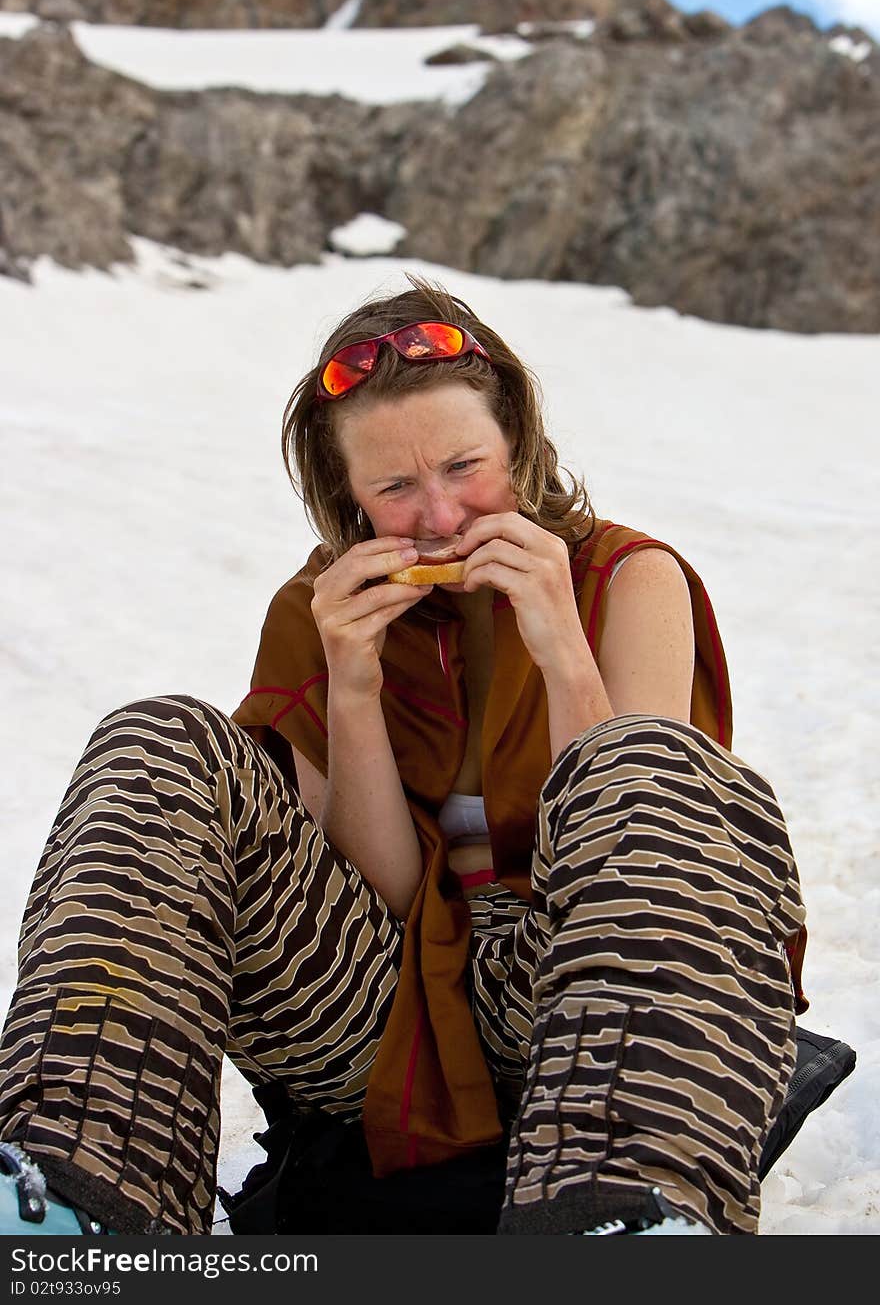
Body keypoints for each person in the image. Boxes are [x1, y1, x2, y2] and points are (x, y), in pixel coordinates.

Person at [0, 278, 807, 1237]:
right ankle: (73, 1201)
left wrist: (557, 641)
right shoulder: (322, 610)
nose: (438, 515)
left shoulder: (630, 580)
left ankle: (625, 1217)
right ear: (347, 496)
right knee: (159, 737)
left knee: (648, 758)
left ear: (519, 440)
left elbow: (626, 836)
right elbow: (375, 897)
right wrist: (351, 682)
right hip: (373, 1020)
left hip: (581, 998)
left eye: (466, 465)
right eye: (394, 487)